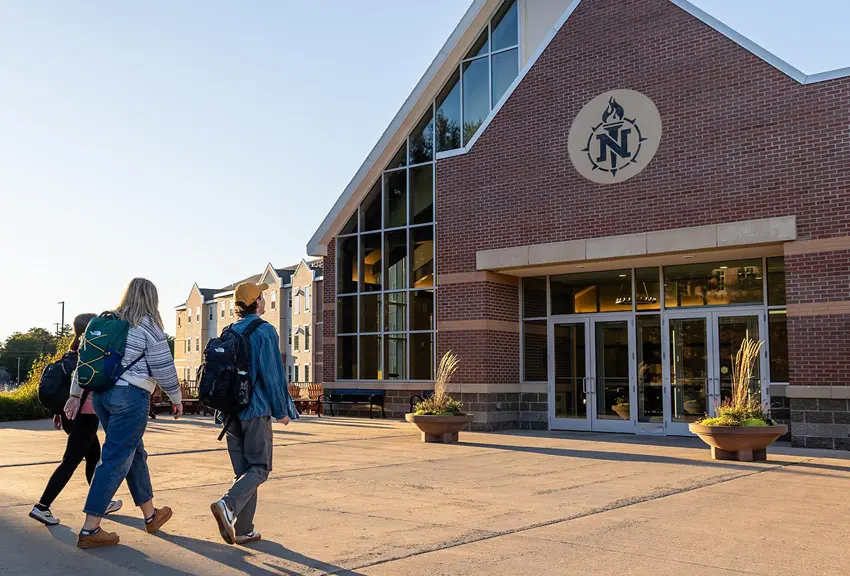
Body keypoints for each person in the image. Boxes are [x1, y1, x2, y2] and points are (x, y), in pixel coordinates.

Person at [65, 278, 184, 549]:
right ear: (152, 299)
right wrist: (176, 398)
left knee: (134, 452)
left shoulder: (106, 322)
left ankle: (150, 514)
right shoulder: (148, 326)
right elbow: (163, 367)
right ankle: (90, 529)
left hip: (102, 396)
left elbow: (85, 361)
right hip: (130, 397)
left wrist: (74, 394)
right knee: (115, 458)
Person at [210, 281, 299, 546]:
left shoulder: (229, 331)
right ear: (257, 301)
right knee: (259, 468)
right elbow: (273, 373)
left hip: (229, 413)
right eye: (263, 296)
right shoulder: (264, 331)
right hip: (254, 409)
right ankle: (227, 505)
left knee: (245, 473)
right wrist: (282, 410)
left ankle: (244, 529)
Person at [29, 314, 123, 526]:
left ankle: (100, 502)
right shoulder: (91, 348)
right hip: (84, 413)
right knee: (70, 461)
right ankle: (42, 506)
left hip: (72, 413)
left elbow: (66, 384)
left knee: (93, 456)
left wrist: (59, 411)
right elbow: (83, 380)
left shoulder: (73, 349)